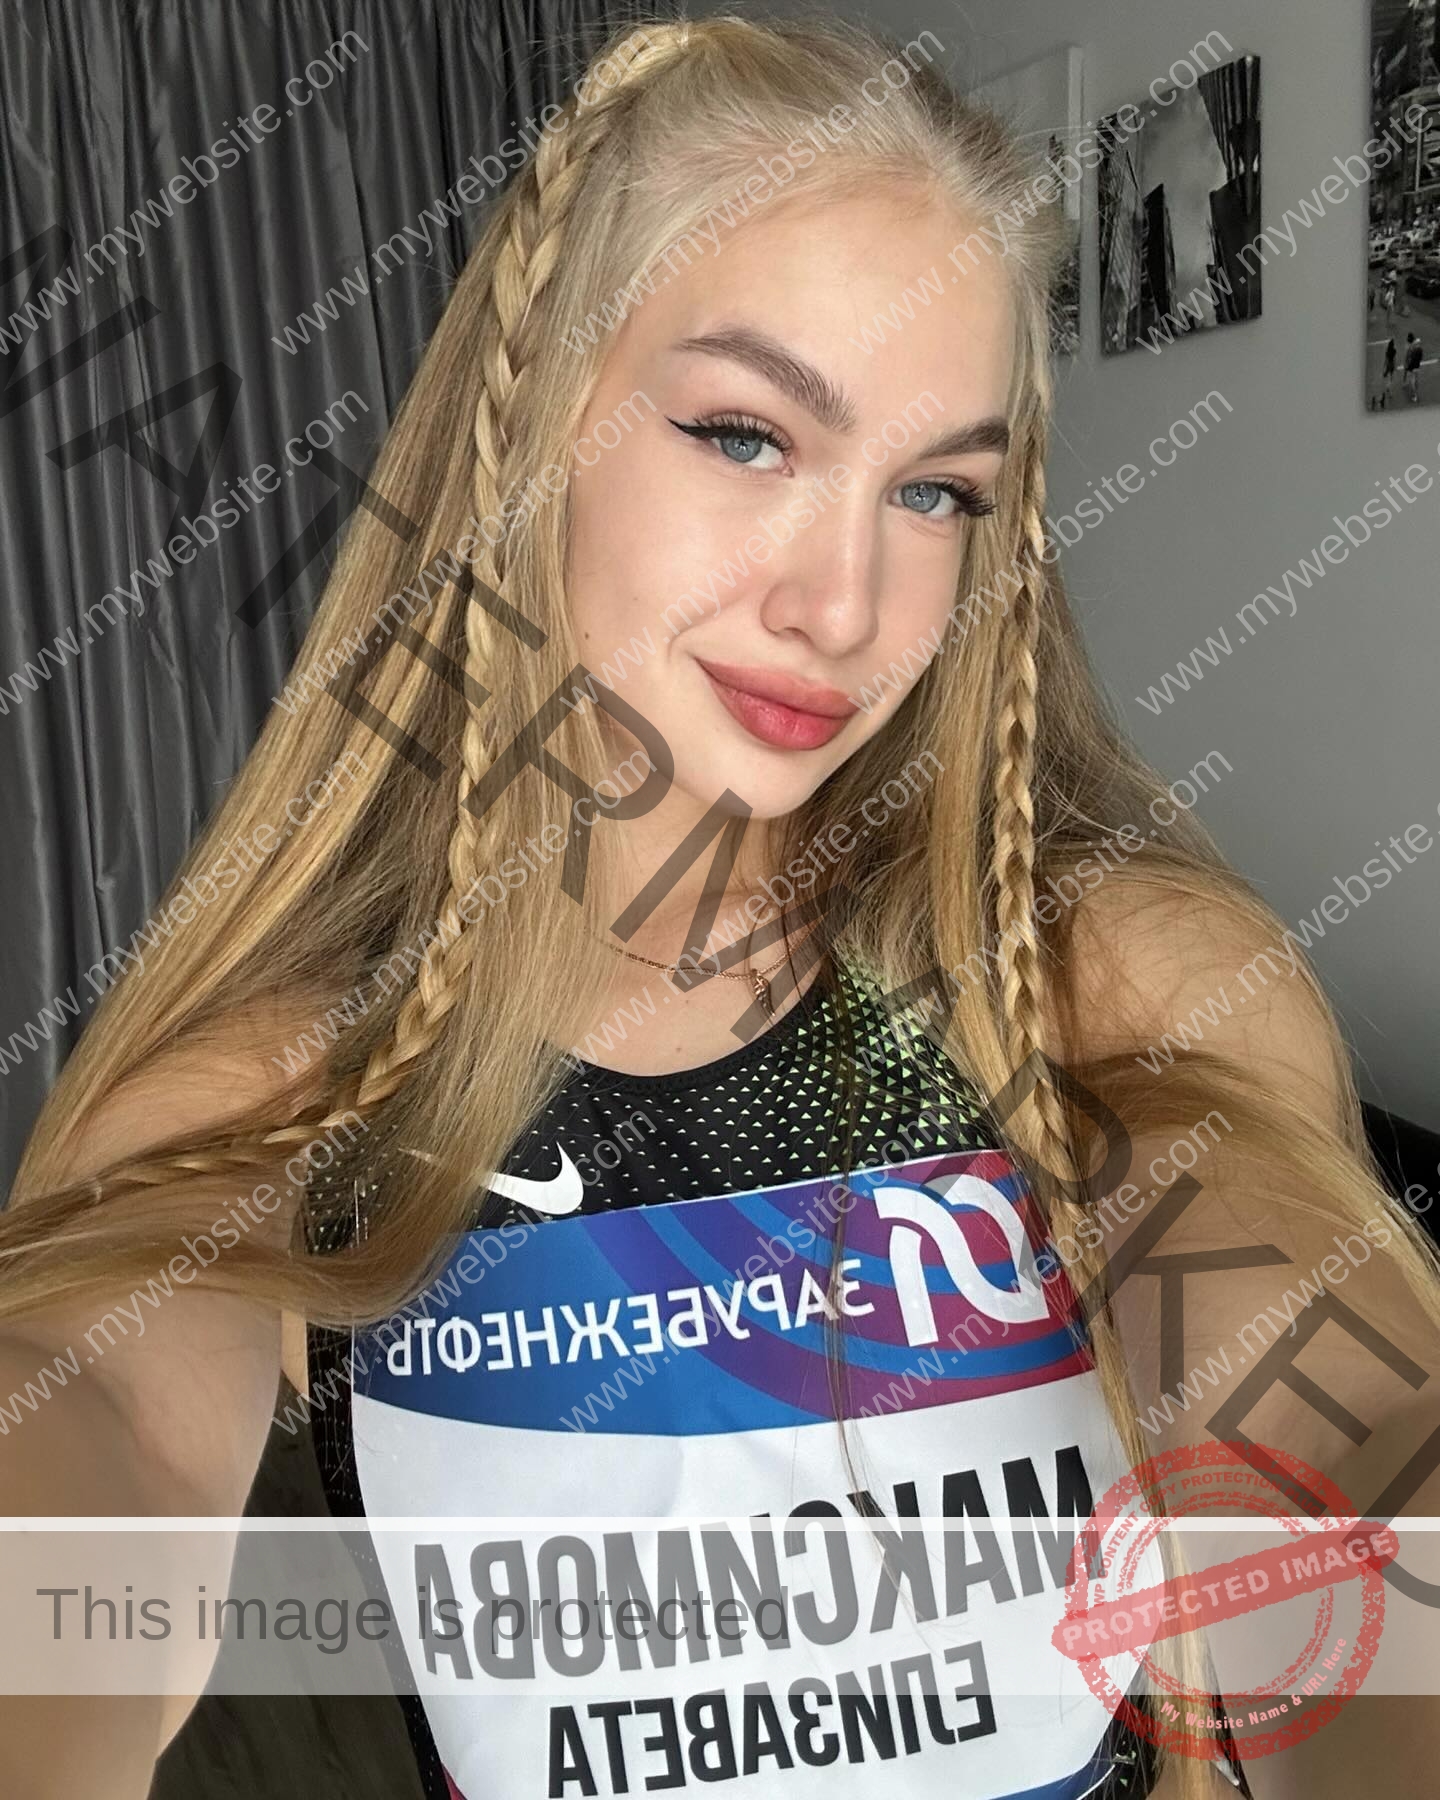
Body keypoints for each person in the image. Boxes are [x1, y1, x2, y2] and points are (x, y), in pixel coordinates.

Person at [3, 16, 1440, 1800]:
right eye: (748, 436)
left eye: (936, 492)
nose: (846, 605)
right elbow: (95, 1436)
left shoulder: (1111, 985)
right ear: (530, 434)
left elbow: (1349, 1441)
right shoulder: (288, 1088)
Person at [1406, 330, 1425, 403]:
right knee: (1416, 380)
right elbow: (1421, 358)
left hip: (1412, 367)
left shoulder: (1414, 351)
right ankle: (1416, 391)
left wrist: (1408, 366)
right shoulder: (1420, 350)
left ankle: (1415, 396)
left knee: (1412, 381)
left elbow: (1410, 359)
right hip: (1417, 367)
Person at [1384, 333, 1399, 404]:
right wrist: (1396, 366)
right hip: (1392, 365)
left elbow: (1386, 360)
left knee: (1388, 377)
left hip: (1388, 365)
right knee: (1391, 379)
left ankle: (1387, 387)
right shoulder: (1394, 350)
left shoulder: (1387, 351)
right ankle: (1389, 391)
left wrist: (1384, 366)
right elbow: (1395, 359)